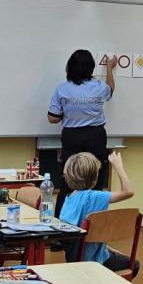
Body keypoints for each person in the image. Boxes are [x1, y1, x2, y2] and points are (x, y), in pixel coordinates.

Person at [48, 49, 114, 211]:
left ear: (69, 67)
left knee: (68, 180)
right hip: (95, 136)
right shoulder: (100, 87)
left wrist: (69, 112)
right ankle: (93, 221)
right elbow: (111, 89)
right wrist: (109, 68)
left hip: (72, 137)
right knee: (95, 180)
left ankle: (62, 222)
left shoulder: (62, 89)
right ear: (91, 68)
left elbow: (52, 118)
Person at [58, 151, 137, 273]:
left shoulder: (68, 199)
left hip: (74, 259)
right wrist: (118, 166)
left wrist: (109, 249)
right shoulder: (95, 197)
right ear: (95, 177)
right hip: (97, 260)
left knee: (115, 255)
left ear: (67, 177)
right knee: (134, 265)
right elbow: (128, 191)